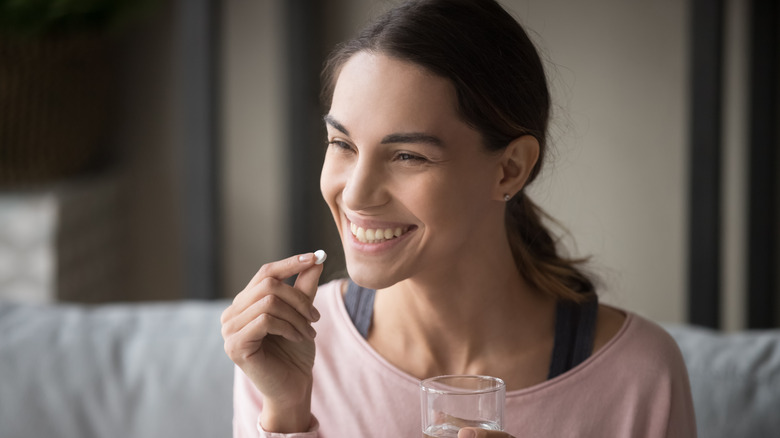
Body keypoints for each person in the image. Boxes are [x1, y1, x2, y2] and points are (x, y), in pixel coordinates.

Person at [220, 0, 697, 436]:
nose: (357, 194)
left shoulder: (639, 377)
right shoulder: (283, 348)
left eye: (408, 156)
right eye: (342, 145)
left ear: (510, 169)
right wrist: (287, 413)